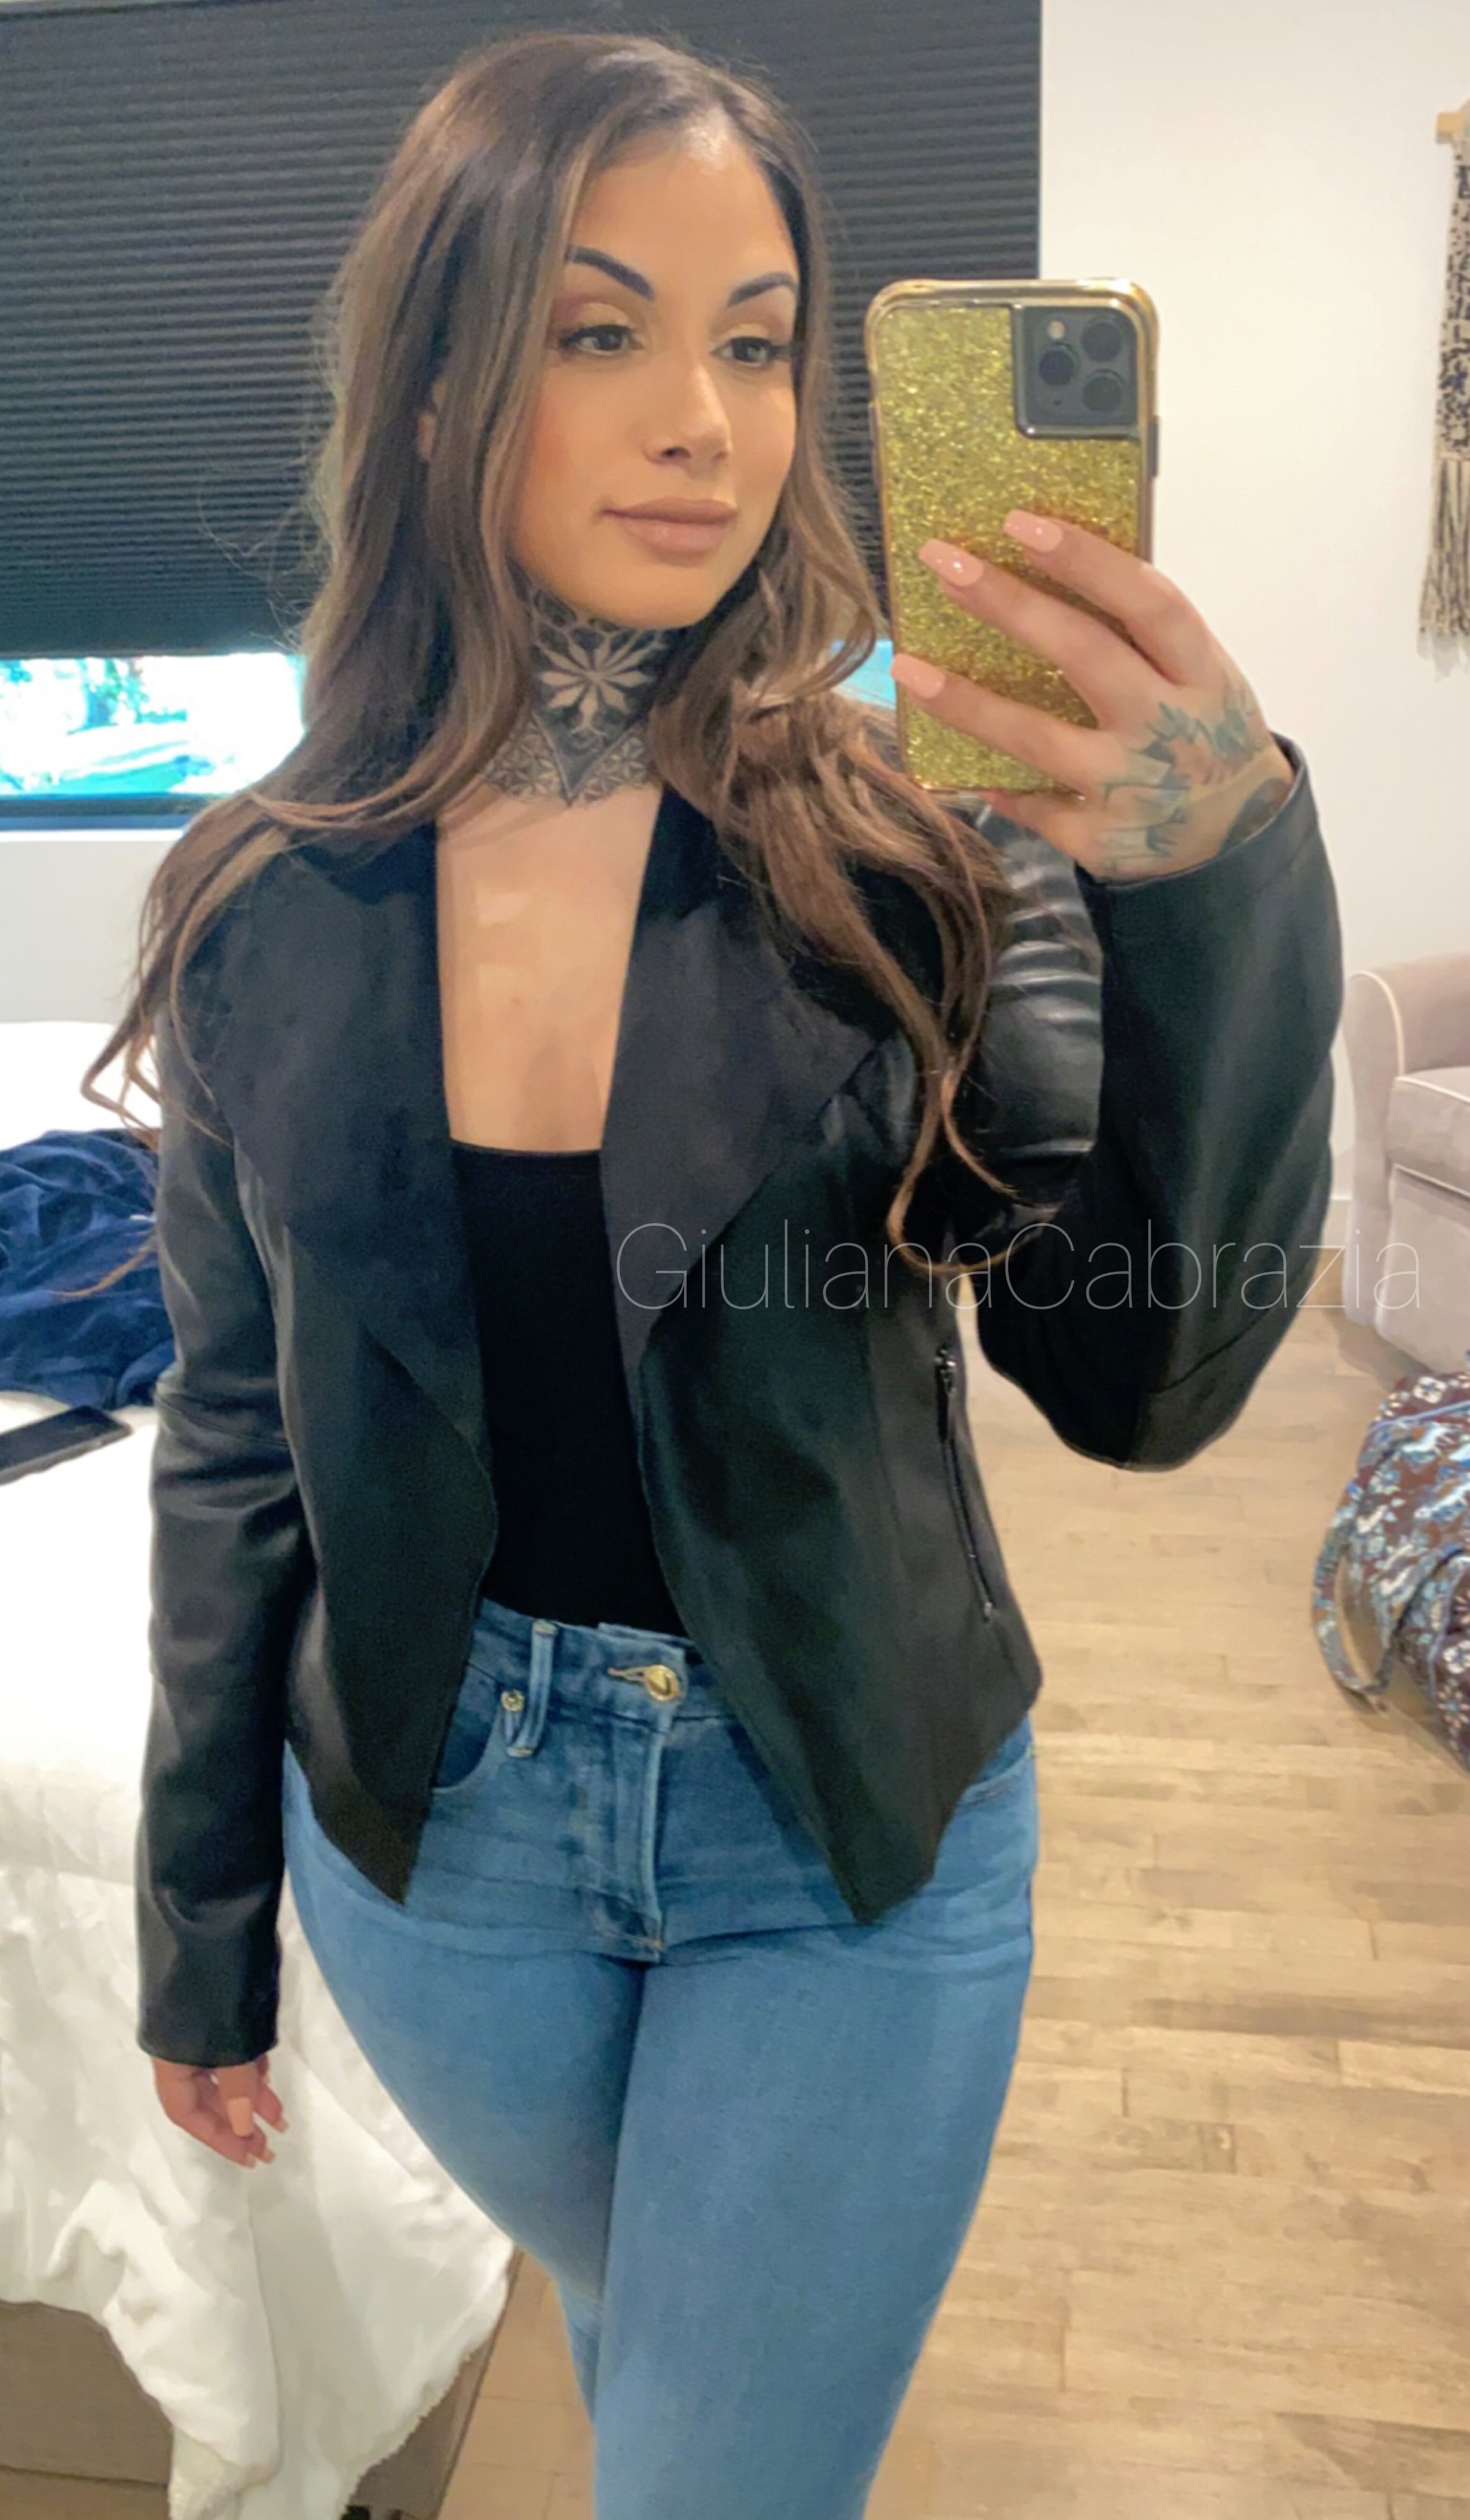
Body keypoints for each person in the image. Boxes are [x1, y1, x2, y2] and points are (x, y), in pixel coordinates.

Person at [87, 30, 1342, 2520]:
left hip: (839, 1822)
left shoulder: (910, 869)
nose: (706, 422)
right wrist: (197, 1919)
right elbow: (236, 1443)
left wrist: (1225, 875)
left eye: (759, 344)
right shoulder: (259, 903)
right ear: (441, 377)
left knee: (702, 2469)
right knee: (675, 2363)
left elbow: (1147, 1382)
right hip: (443, 1863)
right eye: (603, 329)